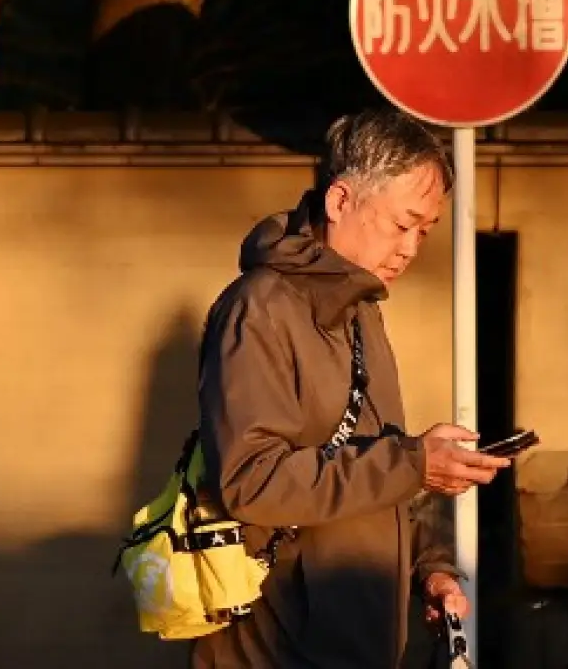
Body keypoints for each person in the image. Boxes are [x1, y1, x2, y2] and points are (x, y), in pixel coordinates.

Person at [192, 109, 511, 669]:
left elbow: (370, 473)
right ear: (340, 201)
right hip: (279, 648)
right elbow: (251, 482)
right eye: (402, 224)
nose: (412, 248)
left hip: (354, 642)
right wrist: (413, 465)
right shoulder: (259, 308)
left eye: (426, 231)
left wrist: (430, 568)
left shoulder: (361, 311)